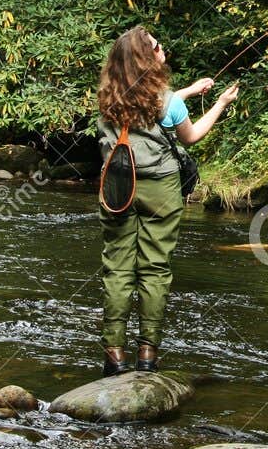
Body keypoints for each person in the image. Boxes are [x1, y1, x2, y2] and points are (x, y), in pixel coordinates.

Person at [96, 26, 238, 375]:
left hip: (117, 186)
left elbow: (151, 106)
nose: (163, 50)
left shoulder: (108, 95)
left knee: (117, 269)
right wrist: (220, 103)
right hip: (160, 188)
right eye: (158, 47)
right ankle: (147, 355)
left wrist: (188, 91)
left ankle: (114, 355)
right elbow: (189, 136)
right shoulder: (167, 100)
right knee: (155, 268)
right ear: (148, 57)